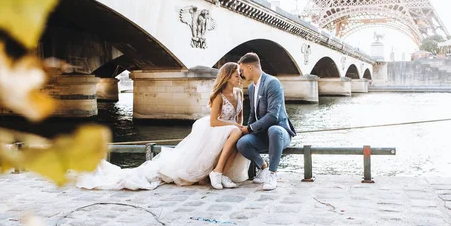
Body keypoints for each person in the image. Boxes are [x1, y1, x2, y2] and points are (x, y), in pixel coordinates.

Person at [77, 62, 250, 191]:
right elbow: (214, 121)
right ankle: (218, 171)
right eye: (236, 75)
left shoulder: (238, 93)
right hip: (217, 127)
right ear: (227, 76)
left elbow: (240, 117)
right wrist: (236, 126)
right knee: (236, 131)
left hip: (230, 129)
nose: (239, 78)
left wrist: (239, 127)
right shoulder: (218, 96)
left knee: (238, 133)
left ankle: (222, 173)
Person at [237, 53, 296, 190]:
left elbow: (273, 116)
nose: (241, 74)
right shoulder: (251, 88)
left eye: (242, 70)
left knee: (274, 129)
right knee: (242, 143)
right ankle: (263, 167)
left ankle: (272, 174)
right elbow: (253, 113)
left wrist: (250, 128)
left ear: (250, 68)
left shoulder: (272, 83)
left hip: (280, 132)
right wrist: (246, 131)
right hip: (262, 134)